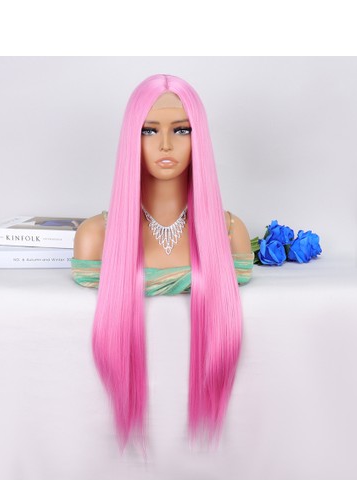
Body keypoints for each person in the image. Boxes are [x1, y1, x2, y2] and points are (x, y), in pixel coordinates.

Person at [72, 74, 254, 450]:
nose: (166, 144)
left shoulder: (230, 232)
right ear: (131, 138)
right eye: (149, 130)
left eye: (182, 130)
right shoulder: (95, 238)